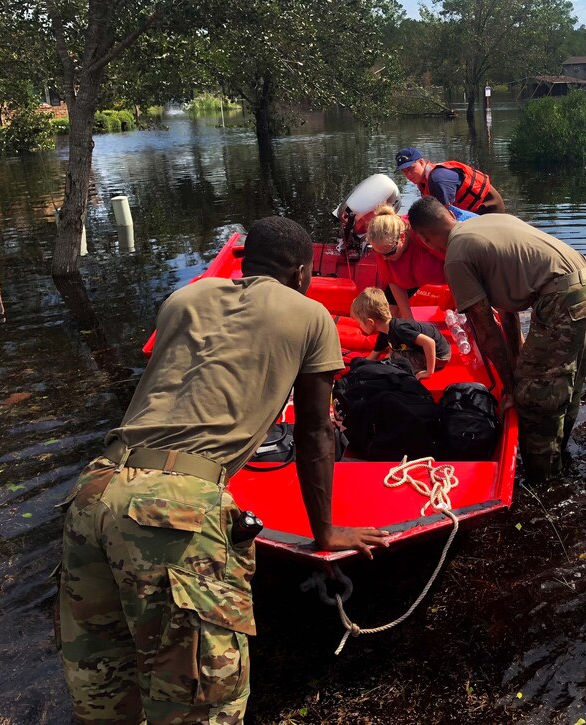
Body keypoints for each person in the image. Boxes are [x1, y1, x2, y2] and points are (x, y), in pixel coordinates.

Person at [57, 217, 389, 723]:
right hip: (176, 508)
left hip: (96, 489)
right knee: (203, 706)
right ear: (301, 271)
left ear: (245, 260)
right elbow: (315, 433)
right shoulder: (311, 314)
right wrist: (324, 533)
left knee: (104, 694)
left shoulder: (185, 299)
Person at [407, 198, 586, 484]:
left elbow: (486, 329)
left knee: (534, 397)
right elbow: (508, 314)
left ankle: (543, 481)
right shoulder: (482, 224)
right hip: (585, 282)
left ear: (423, 238)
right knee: (563, 382)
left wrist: (511, 388)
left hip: (560, 297)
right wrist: (516, 366)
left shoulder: (457, 256)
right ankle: (560, 456)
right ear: (449, 214)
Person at [366, 203, 451, 320]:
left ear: (402, 237)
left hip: (449, 270)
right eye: (378, 254)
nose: (384, 258)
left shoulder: (424, 234)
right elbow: (393, 281)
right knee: (390, 311)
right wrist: (409, 319)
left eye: (388, 253)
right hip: (411, 275)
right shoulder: (383, 246)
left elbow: (458, 264)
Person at [352, 286, 451, 379]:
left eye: (360, 323)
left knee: (399, 364)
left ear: (370, 322)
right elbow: (374, 355)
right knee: (394, 355)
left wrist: (429, 372)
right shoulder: (385, 331)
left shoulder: (399, 329)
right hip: (429, 348)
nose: (360, 326)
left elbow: (430, 343)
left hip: (440, 355)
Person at [395, 147, 506, 215]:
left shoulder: (437, 180)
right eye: (404, 171)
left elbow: (444, 216)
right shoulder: (424, 181)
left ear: (422, 162)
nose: (408, 174)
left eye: (411, 168)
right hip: (475, 210)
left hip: (490, 207)